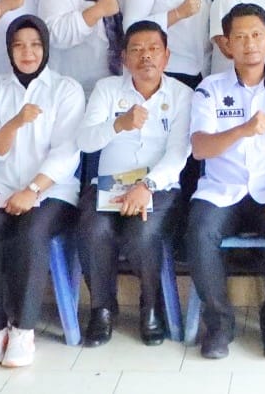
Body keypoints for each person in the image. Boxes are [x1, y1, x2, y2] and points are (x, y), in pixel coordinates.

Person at [187, 3, 265, 360]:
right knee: (199, 233)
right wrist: (242, 129)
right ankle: (219, 324)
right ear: (227, 44)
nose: (249, 44)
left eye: (257, 35)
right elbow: (200, 148)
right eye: (240, 37)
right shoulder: (209, 88)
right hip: (222, 189)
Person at [0, 15, 85, 368]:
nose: (27, 52)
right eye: (19, 45)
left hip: (52, 188)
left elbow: (67, 152)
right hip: (0, 182)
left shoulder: (66, 89)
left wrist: (33, 189)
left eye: (35, 45)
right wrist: (16, 122)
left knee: (32, 233)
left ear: (46, 47)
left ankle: (23, 329)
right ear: (9, 50)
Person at [76, 21, 193, 347]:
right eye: (137, 50)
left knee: (142, 233)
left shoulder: (182, 95)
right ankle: (102, 309)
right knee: (94, 229)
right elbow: (85, 141)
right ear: (124, 58)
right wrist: (118, 124)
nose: (146, 57)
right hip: (108, 186)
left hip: (159, 187)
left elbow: (179, 152)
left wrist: (147, 186)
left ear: (167, 56)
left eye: (154, 49)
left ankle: (151, 305)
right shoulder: (107, 89)